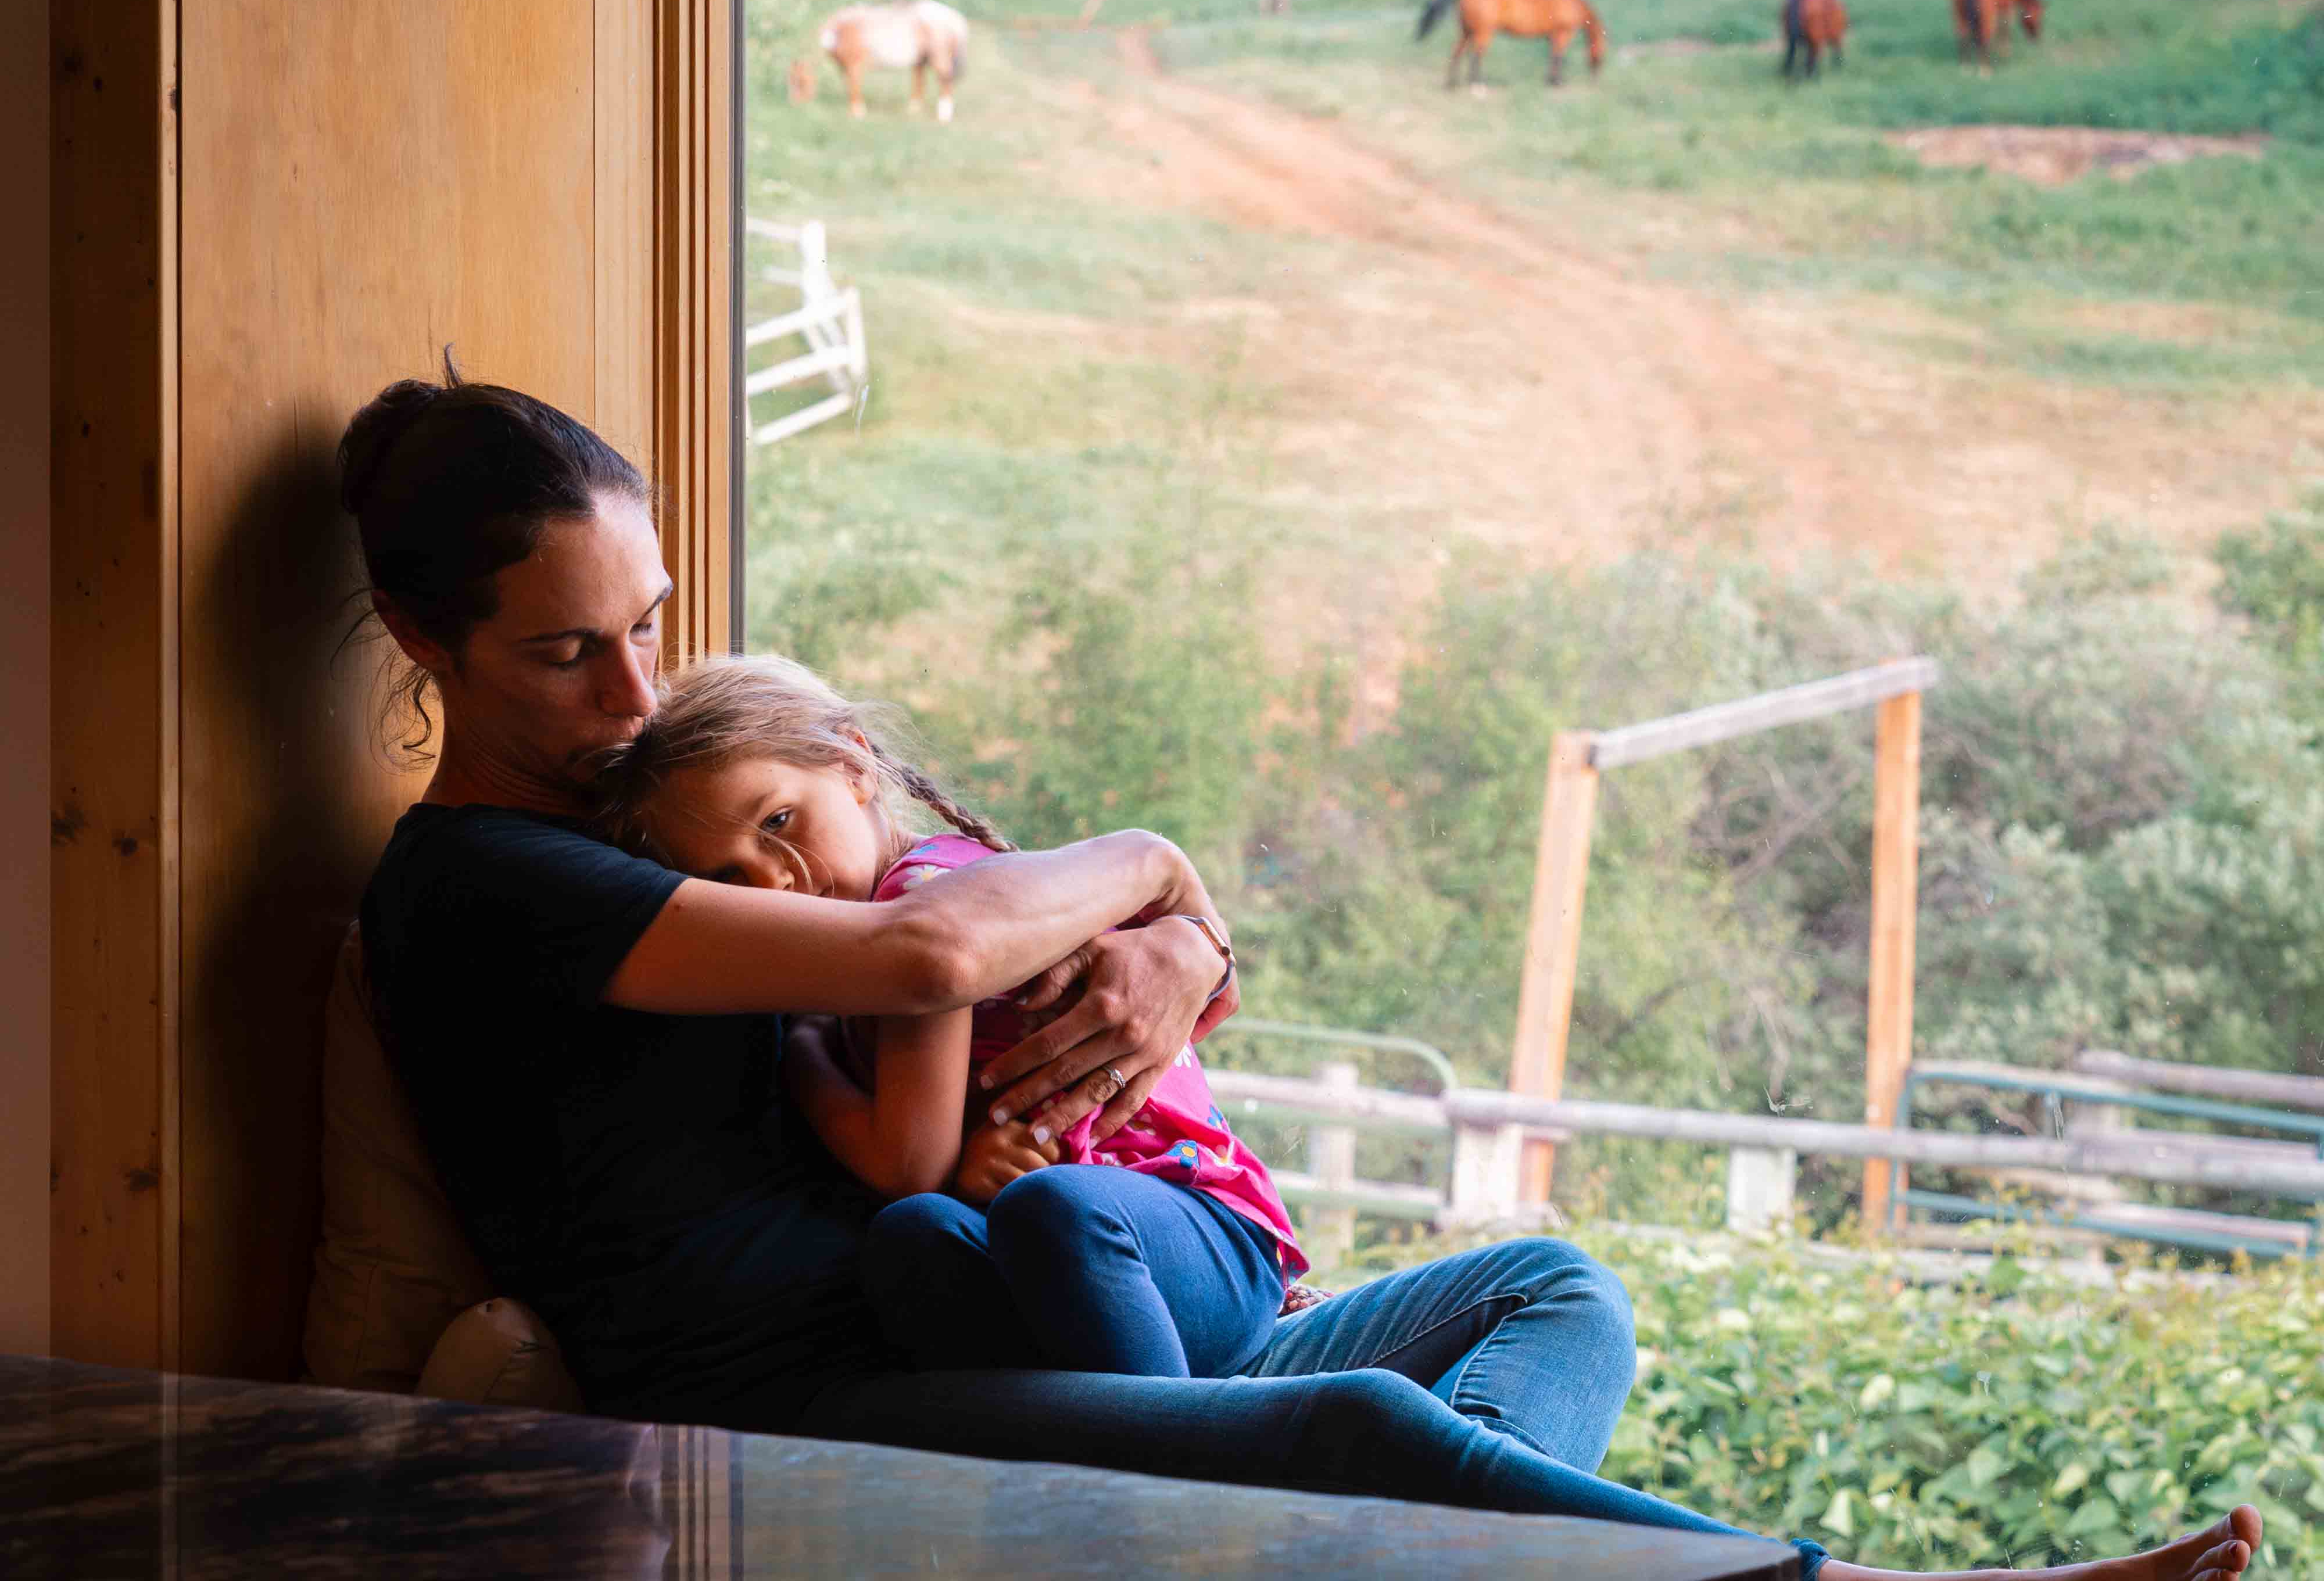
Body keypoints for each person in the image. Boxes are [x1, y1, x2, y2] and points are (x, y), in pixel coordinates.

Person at [347, 365, 2262, 1581]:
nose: (632, 689)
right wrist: (1163, 862)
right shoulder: (480, 880)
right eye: (561, 653)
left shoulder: (654, 809)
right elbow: (933, 938)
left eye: (650, 627)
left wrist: (1182, 949)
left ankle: (1420, 1551)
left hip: (967, 1304)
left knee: (1538, 1278)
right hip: (798, 1399)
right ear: (425, 636)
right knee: (1358, 1435)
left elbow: (931, 897)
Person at [596, 654, 1311, 1381]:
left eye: (780, 821)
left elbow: (907, 1163)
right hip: (1074, 1269)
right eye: (726, 877)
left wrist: (801, 1045)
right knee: (915, 1237)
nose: (773, 879)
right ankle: (1062, 1436)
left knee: (1052, 1208)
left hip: (1207, 1242)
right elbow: (928, 1188)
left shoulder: (924, 903)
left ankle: (1177, 1459)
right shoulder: (883, 923)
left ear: (854, 764)